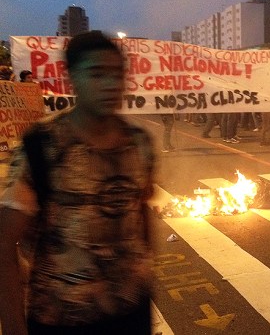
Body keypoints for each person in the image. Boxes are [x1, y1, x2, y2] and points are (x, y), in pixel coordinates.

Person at [0, 31, 156, 334]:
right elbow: (4, 241)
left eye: (117, 73)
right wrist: (13, 326)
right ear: (71, 77)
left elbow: (142, 212)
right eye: (97, 73)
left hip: (131, 313)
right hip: (61, 318)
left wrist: (145, 280)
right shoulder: (41, 147)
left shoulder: (140, 143)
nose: (111, 84)